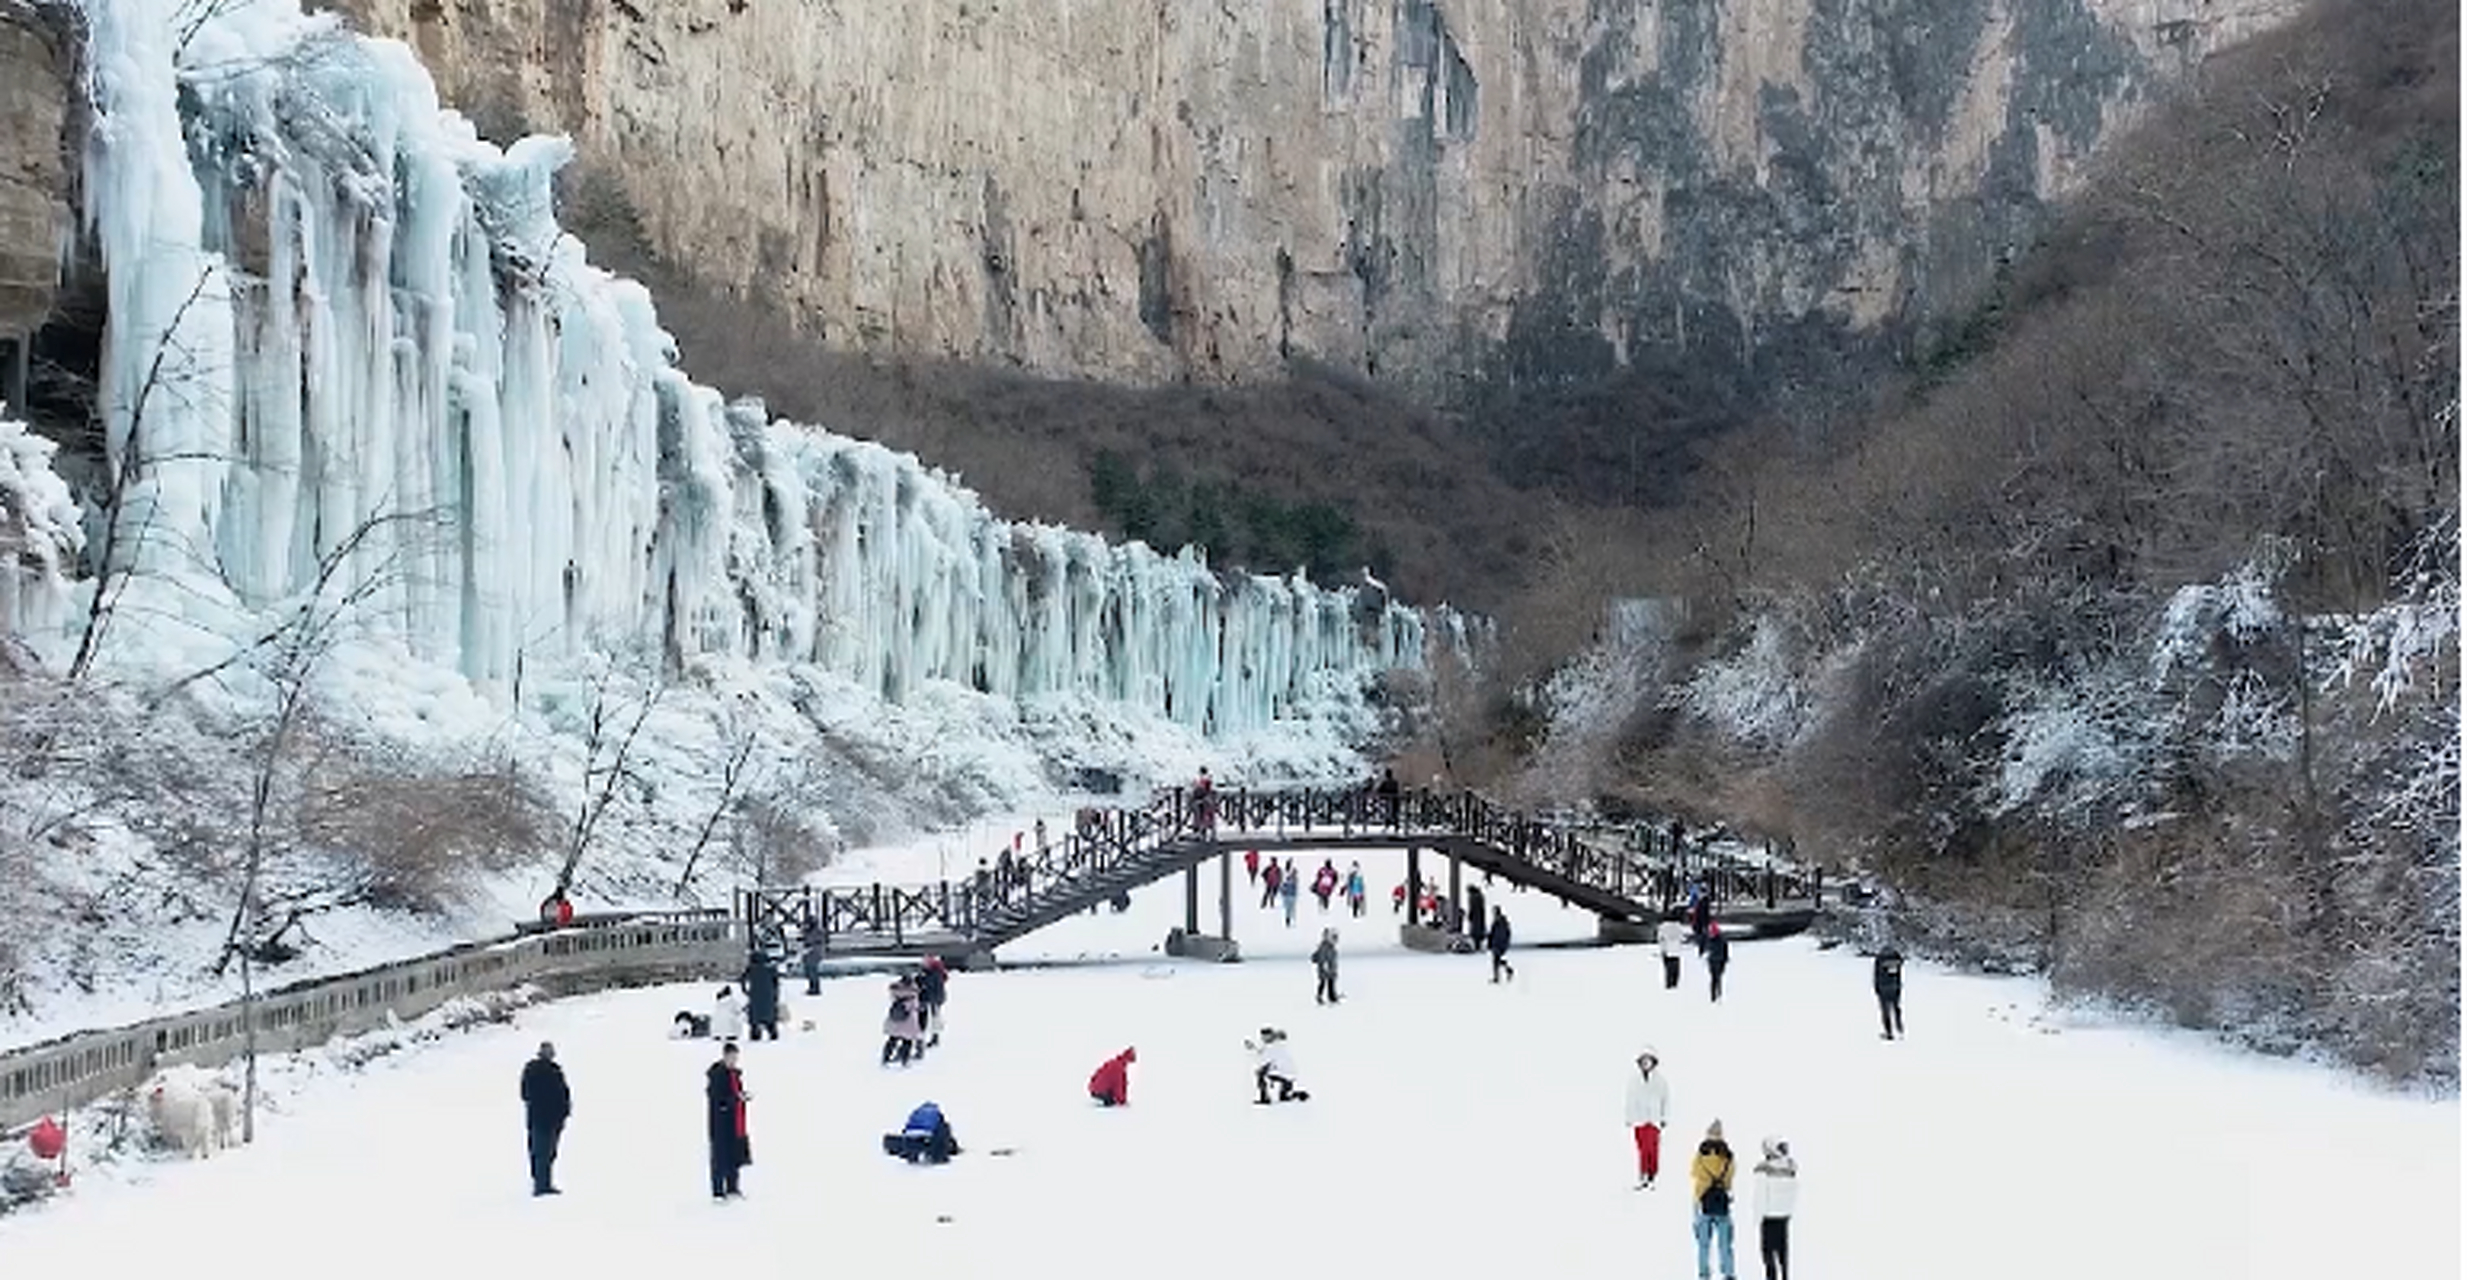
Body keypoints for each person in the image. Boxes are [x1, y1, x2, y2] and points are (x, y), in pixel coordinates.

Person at [519, 1040, 570, 1196]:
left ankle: (542, 1182)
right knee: (543, 1152)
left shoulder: (551, 1070)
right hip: (544, 1118)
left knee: (543, 1152)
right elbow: (526, 1093)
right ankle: (541, 1185)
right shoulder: (539, 1070)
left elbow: (525, 1094)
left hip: (546, 1118)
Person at [1691, 1120, 1737, 1280]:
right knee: (1725, 1243)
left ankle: (1704, 1273)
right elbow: (1731, 1176)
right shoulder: (1728, 1156)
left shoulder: (1700, 1154)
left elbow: (1693, 1172)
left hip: (1702, 1201)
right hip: (1722, 1202)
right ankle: (1728, 1272)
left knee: (1703, 1243)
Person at [705, 1042, 750, 1201]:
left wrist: (742, 1097)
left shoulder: (735, 1074)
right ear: (724, 1056)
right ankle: (718, 1191)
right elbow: (717, 1100)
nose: (733, 1061)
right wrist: (734, 1099)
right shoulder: (717, 1075)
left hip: (736, 1122)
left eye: (735, 1058)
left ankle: (732, 1187)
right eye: (730, 1057)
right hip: (720, 1124)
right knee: (720, 1156)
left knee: (734, 1155)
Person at [1624, 1046, 1670, 1189]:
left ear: (1653, 1062)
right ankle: (1643, 1174)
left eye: (1648, 1061)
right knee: (1642, 1149)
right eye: (1643, 1061)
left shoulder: (1661, 1081)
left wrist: (1664, 1117)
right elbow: (1629, 1100)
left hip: (1654, 1120)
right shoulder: (1634, 1081)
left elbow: (1666, 1100)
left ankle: (1652, 1174)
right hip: (1639, 1119)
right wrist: (1629, 1118)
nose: (1646, 1064)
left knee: (1652, 1149)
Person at [1753, 1137, 1798, 1280]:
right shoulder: (1790, 1168)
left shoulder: (1763, 1169)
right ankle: (1785, 1276)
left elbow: (1759, 1195)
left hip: (1768, 1217)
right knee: (1783, 1253)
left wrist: (1757, 1218)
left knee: (1767, 1254)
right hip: (1784, 1217)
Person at [883, 1101, 962, 1164]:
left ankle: (913, 1154)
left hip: (911, 1137)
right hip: (928, 1138)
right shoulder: (937, 1116)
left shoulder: (916, 1113)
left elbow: (906, 1129)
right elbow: (945, 1133)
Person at [1247, 1027, 1308, 1104]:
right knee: (1284, 1097)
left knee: (1260, 1073)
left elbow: (1262, 1061)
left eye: (1266, 1036)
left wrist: (1252, 1050)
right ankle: (1298, 1095)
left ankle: (1264, 1098)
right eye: (1263, 1037)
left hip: (1284, 1073)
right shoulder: (1277, 1044)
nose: (1264, 1039)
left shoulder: (1273, 1046)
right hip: (1288, 1073)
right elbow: (1266, 1057)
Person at [882, 976, 925, 1066]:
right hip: (908, 1021)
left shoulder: (895, 991)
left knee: (892, 1039)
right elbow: (915, 1006)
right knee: (907, 1041)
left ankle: (885, 1058)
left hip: (895, 1019)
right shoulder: (912, 994)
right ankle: (904, 1060)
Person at [741, 953, 781, 1042]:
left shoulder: (751, 969)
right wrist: (775, 995)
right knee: (770, 1018)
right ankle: (773, 1034)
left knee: (755, 1019)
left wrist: (746, 992)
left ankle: (755, 1035)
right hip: (768, 996)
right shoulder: (771, 969)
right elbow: (776, 983)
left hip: (755, 996)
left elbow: (743, 980)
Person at [917, 955, 949, 1047]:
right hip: (933, 998)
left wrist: (921, 980)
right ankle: (933, 1036)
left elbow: (929, 983)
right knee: (932, 1018)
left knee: (933, 1018)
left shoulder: (935, 973)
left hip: (933, 998)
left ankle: (933, 1037)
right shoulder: (935, 972)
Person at [1874, 945, 1905, 1039]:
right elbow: (1899, 974)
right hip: (1895, 987)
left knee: (1885, 1010)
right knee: (1896, 1008)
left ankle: (1889, 1032)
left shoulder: (1879, 959)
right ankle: (1899, 1028)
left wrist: (1877, 988)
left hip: (1883, 987)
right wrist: (1899, 986)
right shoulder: (1896, 959)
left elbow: (1876, 974)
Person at [1658, 914, 1690, 990]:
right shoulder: (1678, 927)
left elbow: (1660, 939)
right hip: (1676, 951)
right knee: (1676, 968)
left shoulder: (1662, 927)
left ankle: (1669, 983)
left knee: (1668, 968)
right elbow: (1683, 938)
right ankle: (1675, 983)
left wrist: (1662, 950)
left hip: (1666, 950)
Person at [1311, 928, 1341, 1004]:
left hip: (1331, 970)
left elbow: (1333, 958)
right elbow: (1321, 957)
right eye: (1334, 937)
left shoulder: (1331, 947)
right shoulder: (1324, 947)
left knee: (1331, 983)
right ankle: (1319, 996)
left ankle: (1332, 996)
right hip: (1325, 970)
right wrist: (1324, 965)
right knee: (1323, 983)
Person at [1705, 922, 1731, 1003]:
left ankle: (1717, 994)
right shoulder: (1719, 939)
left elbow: (1724, 950)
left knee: (1716, 978)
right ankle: (1715, 995)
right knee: (1715, 978)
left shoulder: (1714, 940)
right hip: (1715, 960)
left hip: (1717, 960)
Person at [1488, 906, 1515, 983]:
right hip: (1498, 943)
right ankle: (1507, 970)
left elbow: (1497, 934)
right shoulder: (1501, 921)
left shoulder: (1499, 921)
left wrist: (1495, 943)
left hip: (1498, 944)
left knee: (1495, 961)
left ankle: (1497, 977)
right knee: (1497, 960)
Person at [1279, 861, 1301, 926]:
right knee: (1289, 908)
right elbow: (1282, 884)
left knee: (1290, 908)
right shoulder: (1285, 874)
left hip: (1290, 894)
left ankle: (1290, 919)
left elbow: (1295, 884)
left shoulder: (1291, 876)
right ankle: (1289, 919)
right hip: (1288, 894)